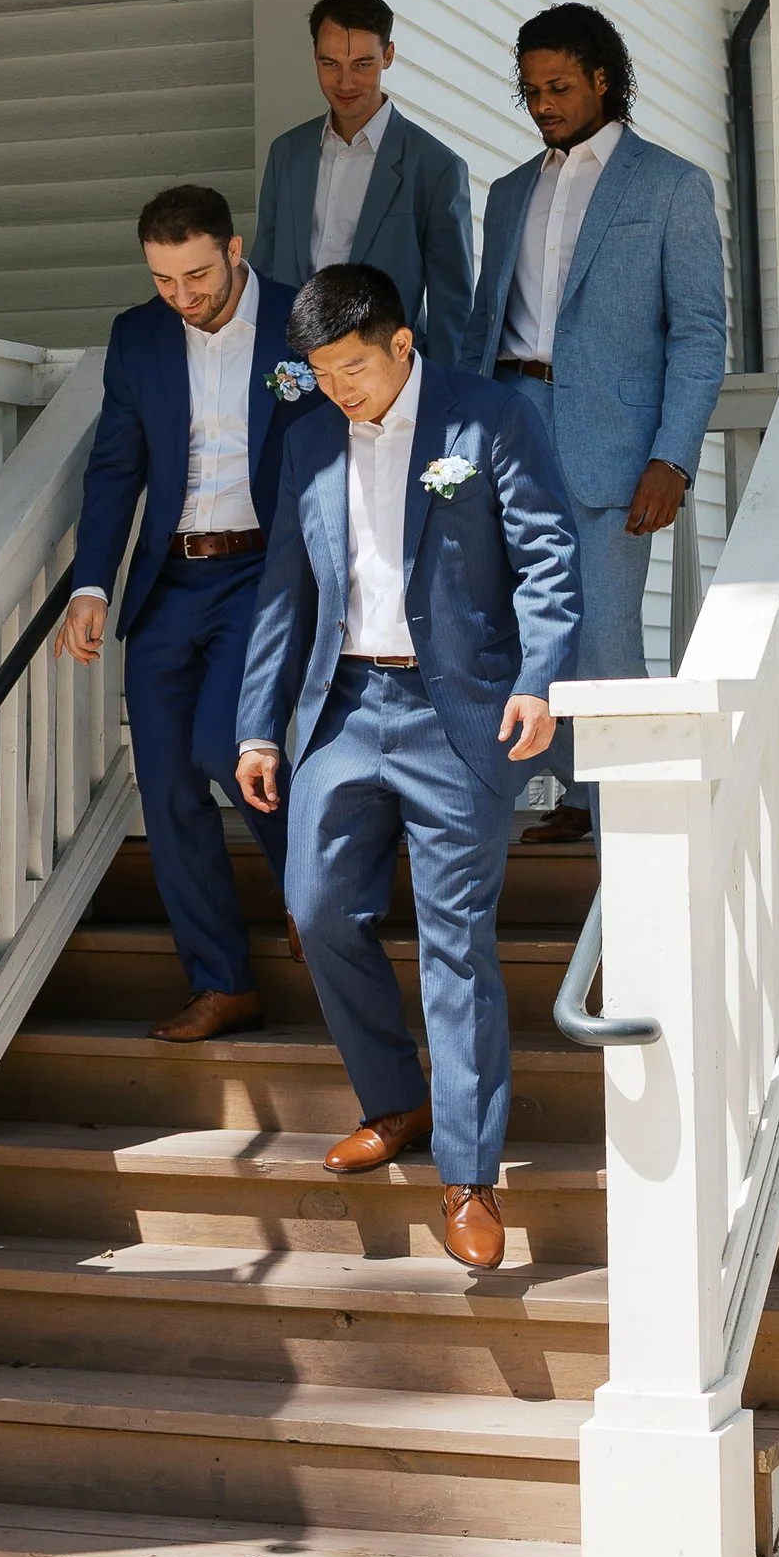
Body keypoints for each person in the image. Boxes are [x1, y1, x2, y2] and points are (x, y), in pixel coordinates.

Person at [236, 261, 580, 1275]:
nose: (338, 388)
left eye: (352, 367)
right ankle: (395, 1098)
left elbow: (551, 558)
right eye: (319, 372)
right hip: (340, 708)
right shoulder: (303, 438)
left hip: (456, 712)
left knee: (454, 938)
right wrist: (260, 727)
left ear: (400, 344)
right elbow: (281, 594)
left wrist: (538, 678)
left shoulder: (490, 419)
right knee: (316, 905)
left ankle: (469, 1174)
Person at [459, 1, 726, 838]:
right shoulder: (507, 194)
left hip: (613, 444)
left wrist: (673, 458)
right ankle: (571, 799)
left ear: (604, 80)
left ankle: (631, 814)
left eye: (561, 85)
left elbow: (699, 331)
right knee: (505, 619)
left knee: (606, 634)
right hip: (506, 421)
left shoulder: (671, 186)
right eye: (532, 89)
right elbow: (481, 323)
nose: (543, 102)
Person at [57, 183, 300, 1041]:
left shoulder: (298, 322)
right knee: (163, 782)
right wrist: (92, 583)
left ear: (235, 251)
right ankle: (222, 979)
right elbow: (116, 468)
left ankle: (314, 897)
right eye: (164, 280)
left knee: (224, 746)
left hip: (263, 572)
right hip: (169, 580)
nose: (183, 297)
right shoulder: (139, 336)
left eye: (196, 275)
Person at [251, 0, 473, 360]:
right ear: (314, 58)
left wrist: (444, 396)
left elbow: (451, 308)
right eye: (330, 64)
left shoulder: (436, 167)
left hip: (384, 375)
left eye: (362, 64)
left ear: (388, 56)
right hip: (289, 369)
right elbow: (265, 268)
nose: (345, 83)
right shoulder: (286, 154)